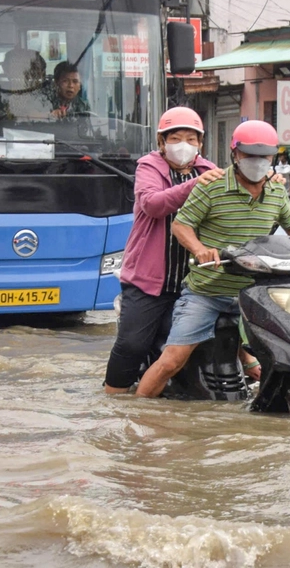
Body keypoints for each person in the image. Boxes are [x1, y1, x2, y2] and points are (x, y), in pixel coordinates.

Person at [134, 120, 290, 398]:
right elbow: (181, 225)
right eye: (249, 155)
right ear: (235, 154)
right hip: (206, 292)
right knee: (172, 361)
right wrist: (200, 249)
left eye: (264, 156)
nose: (257, 162)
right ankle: (137, 413)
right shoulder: (211, 187)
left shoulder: (276, 191)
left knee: (289, 351)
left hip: (255, 294)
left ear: (273, 157)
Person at [103, 107, 224, 394]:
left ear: (200, 143)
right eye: (176, 138)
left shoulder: (209, 171)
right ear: (162, 142)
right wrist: (193, 185)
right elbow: (152, 204)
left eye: (191, 139)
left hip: (193, 280)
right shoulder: (149, 167)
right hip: (148, 280)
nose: (184, 145)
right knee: (132, 344)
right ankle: (113, 397)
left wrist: (269, 183)